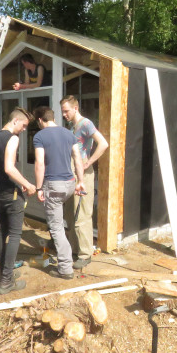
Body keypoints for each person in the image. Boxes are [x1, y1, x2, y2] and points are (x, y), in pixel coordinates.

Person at [0, 107, 37, 294]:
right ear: (15, 121)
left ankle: (4, 273)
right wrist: (28, 185)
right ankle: (6, 281)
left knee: (1, 233)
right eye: (23, 125)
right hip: (10, 194)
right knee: (15, 235)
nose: (24, 130)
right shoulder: (12, 138)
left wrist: (19, 182)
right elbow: (9, 168)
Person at [33, 106, 85, 280]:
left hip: (53, 186)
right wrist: (81, 181)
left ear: (40, 120)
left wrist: (39, 187)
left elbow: (40, 163)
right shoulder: (69, 134)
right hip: (70, 184)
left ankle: (65, 268)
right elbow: (77, 158)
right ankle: (66, 254)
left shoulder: (40, 136)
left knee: (56, 228)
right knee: (61, 223)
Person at [60, 95, 108, 269]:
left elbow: (103, 144)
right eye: (62, 111)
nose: (64, 114)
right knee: (72, 214)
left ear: (75, 108)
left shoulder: (85, 123)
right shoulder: (74, 127)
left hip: (83, 173)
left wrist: (88, 162)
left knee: (82, 214)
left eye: (66, 111)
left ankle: (85, 254)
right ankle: (74, 248)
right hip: (73, 171)